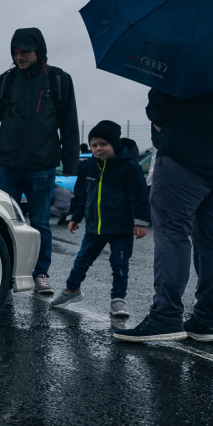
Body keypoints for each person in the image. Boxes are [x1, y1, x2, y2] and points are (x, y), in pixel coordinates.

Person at [113, 84, 213, 343]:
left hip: (186, 151)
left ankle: (166, 315)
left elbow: (159, 103)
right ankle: (207, 319)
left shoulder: (189, 56)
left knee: (173, 232)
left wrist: (160, 118)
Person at [0, 28, 79, 294]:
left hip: (42, 166)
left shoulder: (59, 80)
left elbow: (69, 124)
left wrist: (71, 163)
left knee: (40, 222)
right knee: (1, 221)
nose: (19, 57)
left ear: (38, 51)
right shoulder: (5, 81)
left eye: (25, 52)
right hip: (6, 165)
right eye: (15, 52)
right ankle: (1, 271)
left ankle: (40, 273)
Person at [49, 121, 150, 317]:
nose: (98, 148)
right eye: (94, 145)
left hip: (121, 227)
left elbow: (140, 195)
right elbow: (80, 195)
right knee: (82, 260)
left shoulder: (130, 167)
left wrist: (140, 221)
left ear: (114, 144)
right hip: (94, 227)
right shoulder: (88, 167)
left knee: (119, 264)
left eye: (103, 144)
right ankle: (71, 290)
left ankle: (118, 300)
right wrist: (75, 217)